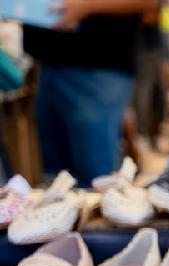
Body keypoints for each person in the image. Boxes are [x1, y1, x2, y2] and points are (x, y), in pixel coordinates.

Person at [22, 0, 158, 186]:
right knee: (54, 180)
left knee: (95, 180)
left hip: (97, 64)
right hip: (49, 62)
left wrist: (86, 6)